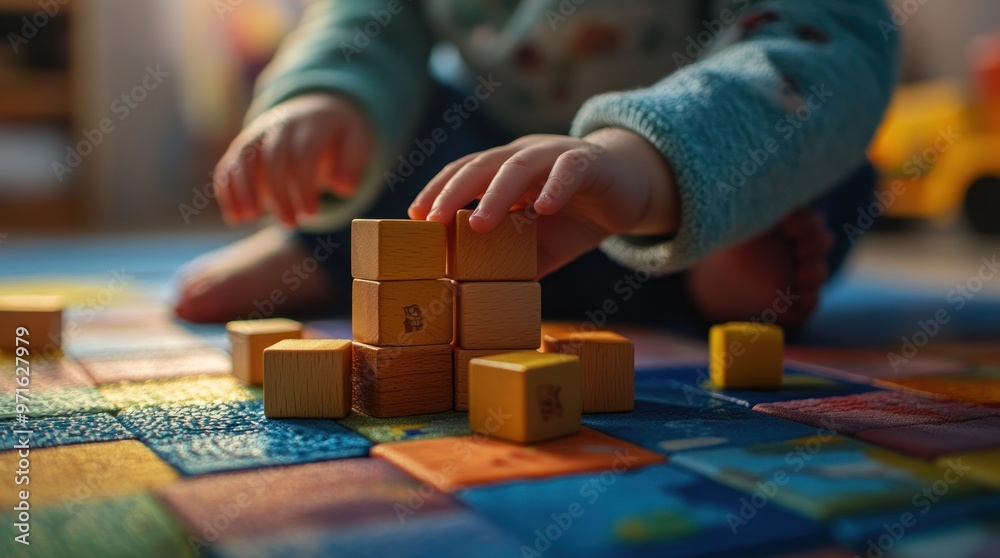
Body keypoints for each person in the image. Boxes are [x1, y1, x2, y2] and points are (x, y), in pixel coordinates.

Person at [173, 0, 898, 332]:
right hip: (488, 181)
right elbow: (366, 19)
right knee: (412, 133)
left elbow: (824, 44)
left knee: (813, 136)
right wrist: (329, 100)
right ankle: (333, 246)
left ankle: (709, 262)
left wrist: (643, 165)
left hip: (698, 158)